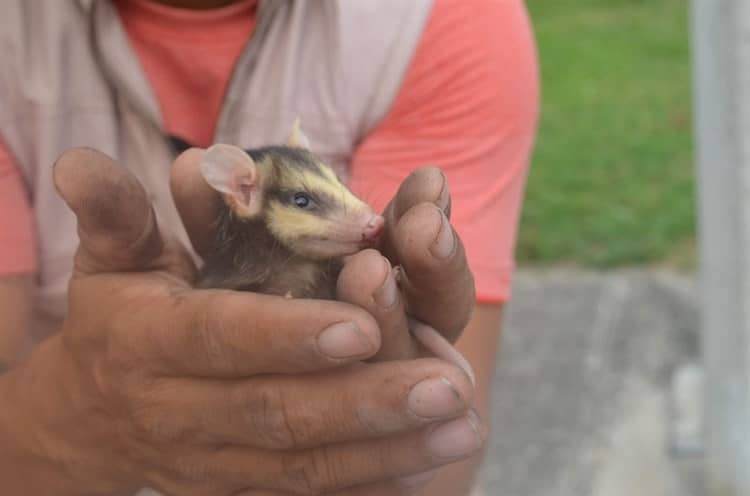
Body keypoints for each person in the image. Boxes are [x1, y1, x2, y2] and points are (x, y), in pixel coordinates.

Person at [0, 0, 538, 494]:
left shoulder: (440, 18)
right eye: (307, 202)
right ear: (242, 190)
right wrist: (71, 418)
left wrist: (400, 444)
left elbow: (440, 455)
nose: (366, 219)